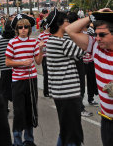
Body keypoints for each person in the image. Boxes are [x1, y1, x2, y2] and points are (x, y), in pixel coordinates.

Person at [65, 8, 113, 146]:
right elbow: (70, 30)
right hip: (107, 120)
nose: (97, 38)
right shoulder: (96, 47)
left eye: (102, 35)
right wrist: (92, 16)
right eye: (96, 34)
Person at [46, 9, 84, 146]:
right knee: (72, 134)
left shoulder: (52, 40)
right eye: (67, 21)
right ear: (60, 24)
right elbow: (82, 50)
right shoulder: (61, 43)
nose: (69, 22)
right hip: (68, 94)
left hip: (61, 93)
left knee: (66, 131)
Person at [5, 13, 43, 146]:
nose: (23, 29)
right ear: (16, 29)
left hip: (31, 80)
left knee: (31, 109)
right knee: (19, 110)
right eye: (20, 27)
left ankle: (29, 140)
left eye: (26, 27)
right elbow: (8, 62)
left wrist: (41, 49)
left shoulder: (34, 42)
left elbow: (38, 62)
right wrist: (22, 63)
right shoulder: (12, 43)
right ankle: (17, 141)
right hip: (18, 81)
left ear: (29, 28)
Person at [0, 19, 15, 112]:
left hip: (3, 68)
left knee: (4, 90)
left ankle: (5, 108)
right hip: (15, 68)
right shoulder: (15, 40)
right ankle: (17, 108)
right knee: (15, 89)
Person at [37, 24, 50, 97]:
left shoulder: (52, 35)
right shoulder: (41, 36)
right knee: (46, 74)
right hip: (44, 57)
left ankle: (51, 90)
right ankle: (46, 91)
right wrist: (45, 49)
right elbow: (38, 46)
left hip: (51, 56)